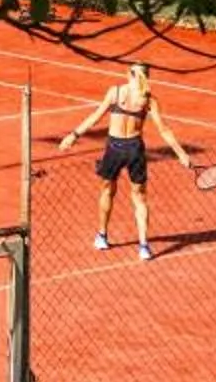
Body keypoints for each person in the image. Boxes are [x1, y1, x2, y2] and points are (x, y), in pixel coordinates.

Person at [59, 61, 193, 261]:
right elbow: (163, 130)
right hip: (135, 149)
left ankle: (102, 236)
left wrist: (73, 135)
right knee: (139, 197)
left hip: (114, 148)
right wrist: (181, 153)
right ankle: (144, 247)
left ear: (128, 73)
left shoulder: (115, 92)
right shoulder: (148, 100)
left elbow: (95, 117)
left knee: (107, 190)